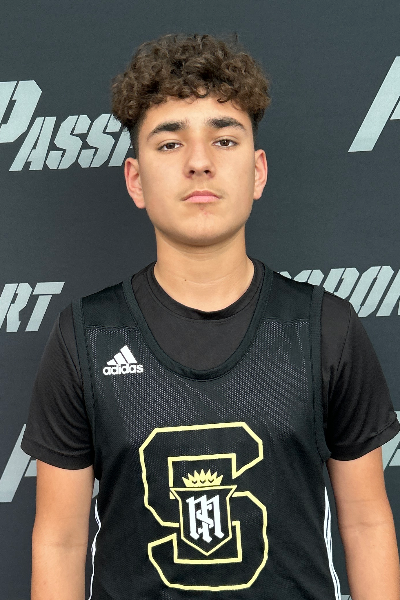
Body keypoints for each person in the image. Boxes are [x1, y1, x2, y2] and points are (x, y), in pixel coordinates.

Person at [22, 33, 400, 600]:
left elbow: (368, 524)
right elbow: (59, 540)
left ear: (258, 171)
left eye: (224, 140)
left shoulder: (325, 328)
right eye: (170, 143)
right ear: (135, 179)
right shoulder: (87, 336)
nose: (199, 162)